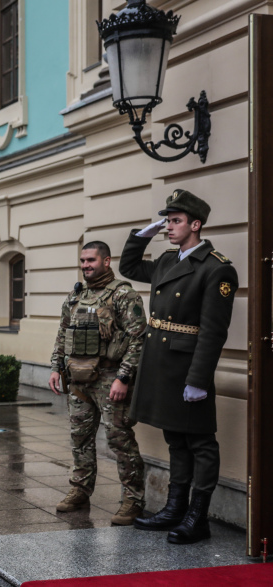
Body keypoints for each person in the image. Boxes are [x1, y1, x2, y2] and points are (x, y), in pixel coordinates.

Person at [120, 189, 238, 545]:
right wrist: (143, 236)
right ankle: (174, 508)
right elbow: (128, 267)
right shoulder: (169, 260)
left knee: (200, 442)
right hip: (161, 363)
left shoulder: (217, 268)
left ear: (195, 224)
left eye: (174, 221)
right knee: (176, 438)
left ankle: (197, 517)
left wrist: (199, 379)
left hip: (188, 368)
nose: (168, 227)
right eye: (166, 220)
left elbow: (215, 331)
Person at [49, 242, 147, 525]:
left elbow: (138, 338)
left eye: (91, 260)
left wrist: (123, 377)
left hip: (110, 379)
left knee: (119, 438)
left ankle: (133, 499)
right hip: (79, 379)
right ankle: (80, 489)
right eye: (82, 260)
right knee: (79, 438)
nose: (85, 265)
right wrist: (56, 367)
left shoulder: (123, 294)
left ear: (106, 261)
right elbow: (63, 333)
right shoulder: (76, 295)